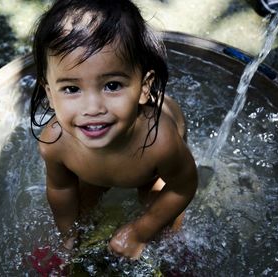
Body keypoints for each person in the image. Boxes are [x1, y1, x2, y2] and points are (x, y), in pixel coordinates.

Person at [30, 0, 198, 260]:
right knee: (81, 212)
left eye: (112, 85)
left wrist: (140, 232)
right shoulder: (55, 142)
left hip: (149, 173)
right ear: (50, 95)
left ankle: (176, 257)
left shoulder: (160, 141)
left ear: (144, 87)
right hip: (93, 174)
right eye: (72, 89)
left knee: (161, 217)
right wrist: (67, 236)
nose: (93, 107)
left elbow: (183, 187)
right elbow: (61, 190)